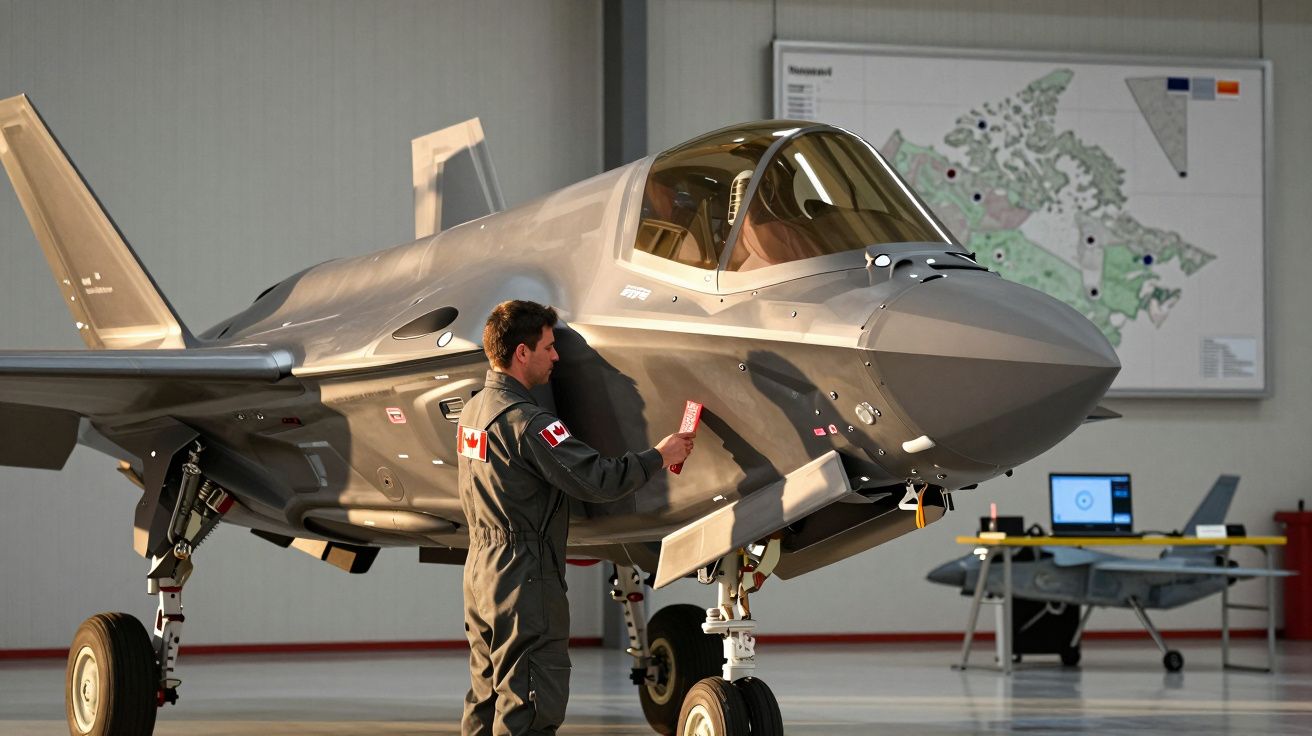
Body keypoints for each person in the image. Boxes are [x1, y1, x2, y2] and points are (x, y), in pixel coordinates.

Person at [457, 300, 695, 735]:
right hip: (524, 576)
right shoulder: (528, 422)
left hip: (481, 572)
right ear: (522, 353)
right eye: (548, 347)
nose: (556, 357)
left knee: (486, 700)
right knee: (530, 704)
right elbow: (597, 479)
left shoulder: (474, 412)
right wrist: (659, 456)